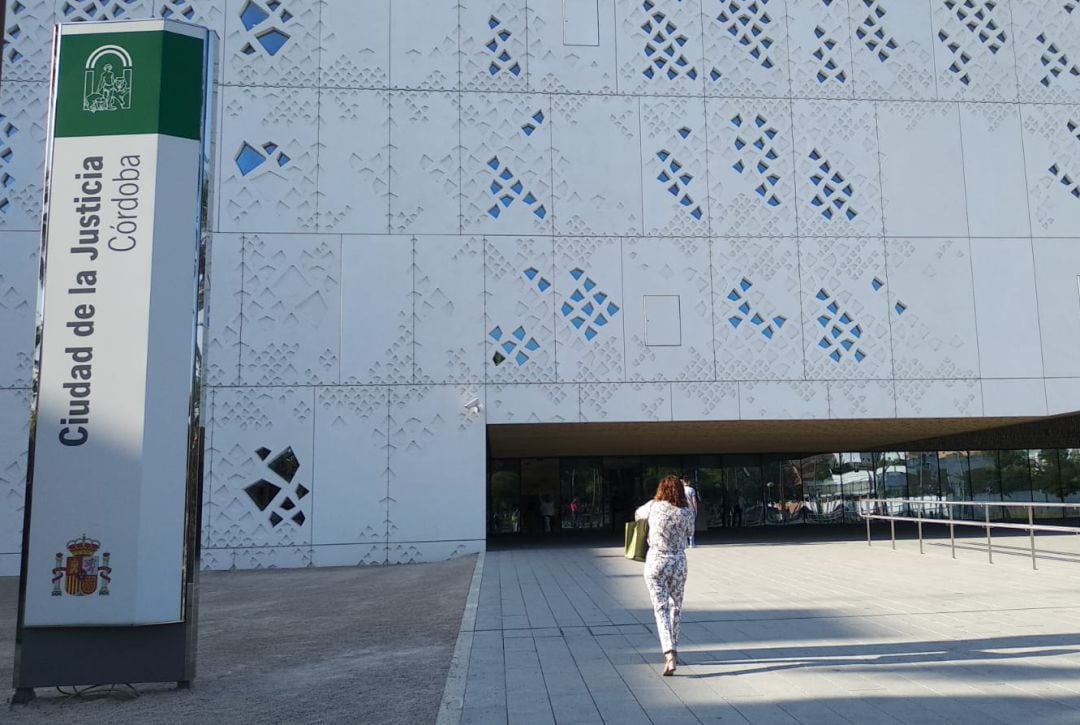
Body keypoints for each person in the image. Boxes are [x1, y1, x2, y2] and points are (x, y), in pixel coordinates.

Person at [635, 475, 694, 676]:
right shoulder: (686, 511)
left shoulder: (653, 506)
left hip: (656, 562)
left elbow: (637, 514)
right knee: (675, 607)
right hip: (678, 562)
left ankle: (668, 652)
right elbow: (690, 532)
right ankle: (674, 651)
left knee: (660, 609)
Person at [681, 478, 699, 547]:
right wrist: (695, 509)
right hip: (690, 509)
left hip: (683, 509)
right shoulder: (691, 489)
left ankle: (685, 542)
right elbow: (694, 501)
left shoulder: (681, 490)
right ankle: (691, 543)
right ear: (688, 482)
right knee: (691, 526)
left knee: (684, 526)